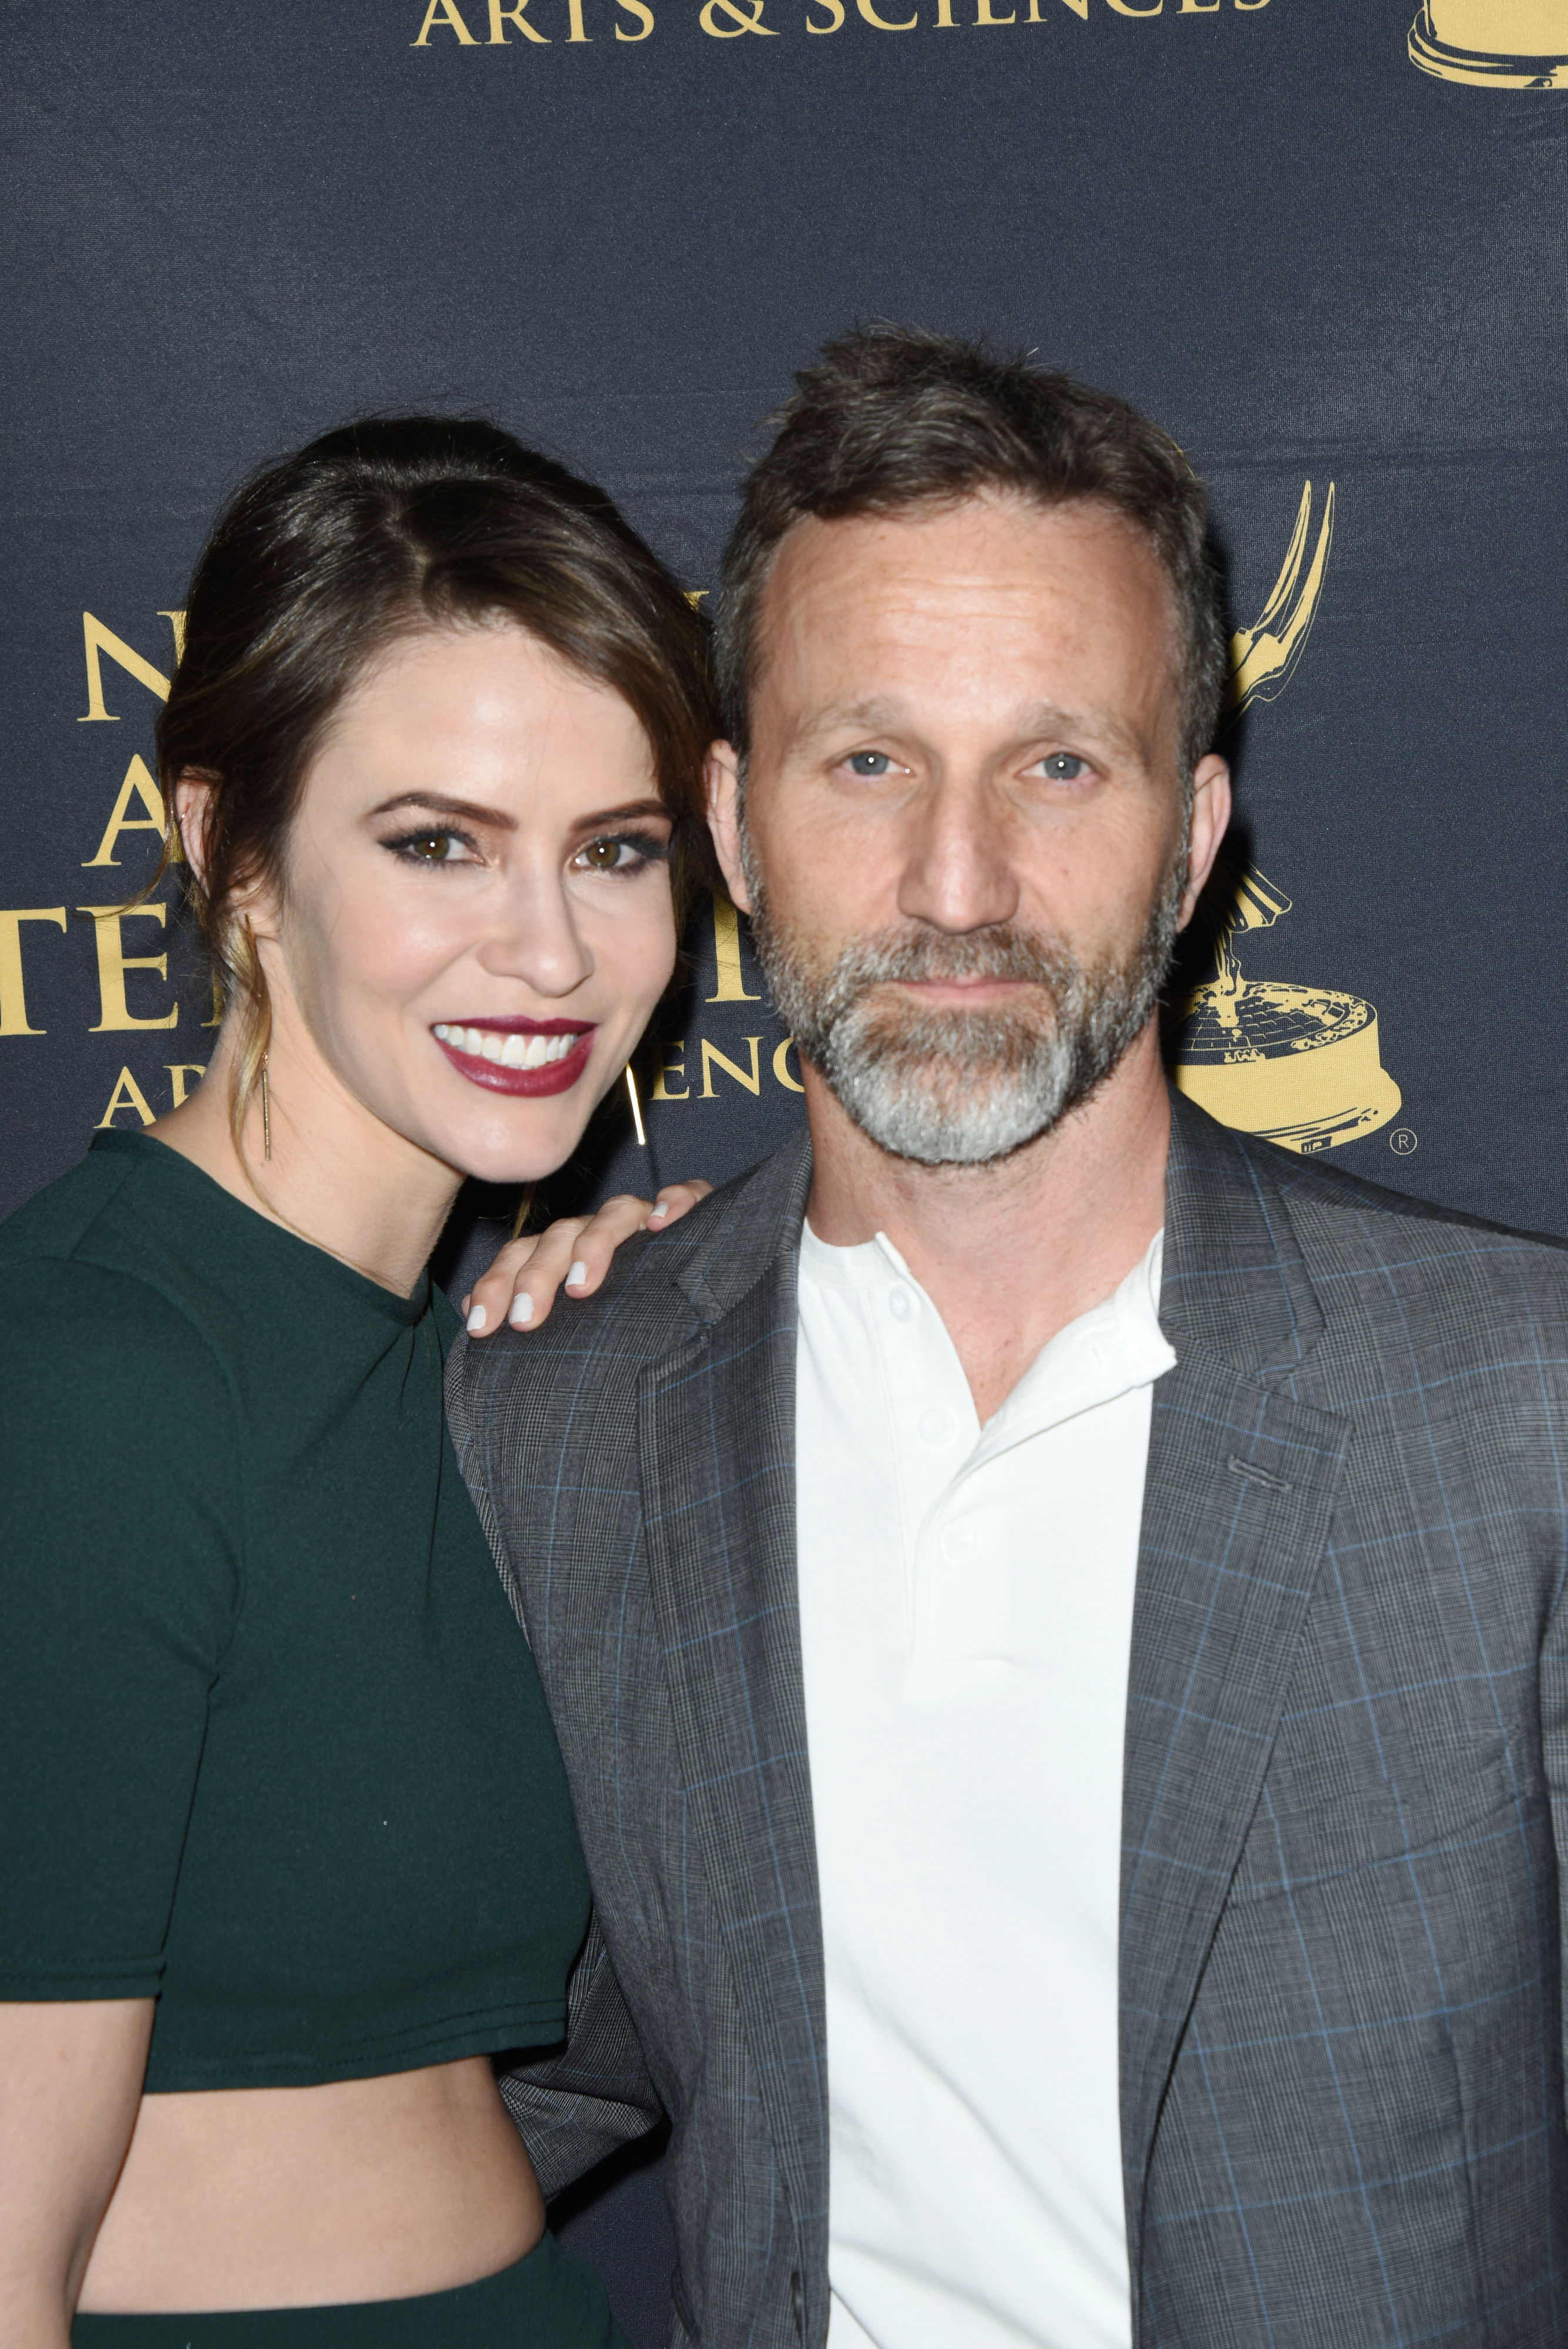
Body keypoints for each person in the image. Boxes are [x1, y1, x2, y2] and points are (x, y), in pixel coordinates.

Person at [452, 327, 1568, 2349]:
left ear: (1194, 833)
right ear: (733, 825)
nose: (957, 885)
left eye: (1058, 765)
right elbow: (490, 2066)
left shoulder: (1517, 1408)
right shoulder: (561, 1413)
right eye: (868, 762)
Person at [0, 416, 714, 2348]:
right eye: (436, 845)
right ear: (228, 854)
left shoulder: (473, 1366)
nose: (550, 951)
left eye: (617, 852)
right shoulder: (92, 1376)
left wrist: (686, 1323)